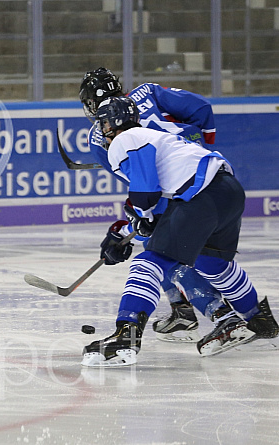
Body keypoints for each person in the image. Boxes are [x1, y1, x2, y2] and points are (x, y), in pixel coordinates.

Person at [81, 96, 279, 367]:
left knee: (149, 262)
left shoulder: (124, 140)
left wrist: (140, 220)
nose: (102, 129)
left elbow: (146, 194)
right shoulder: (157, 136)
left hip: (200, 197)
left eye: (103, 122)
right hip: (227, 190)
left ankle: (125, 335)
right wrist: (133, 229)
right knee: (213, 263)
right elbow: (162, 209)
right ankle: (259, 319)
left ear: (114, 122)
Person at [79, 67, 231, 348]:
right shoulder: (147, 92)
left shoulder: (98, 137)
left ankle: (214, 314)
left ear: (89, 104)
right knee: (200, 252)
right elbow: (201, 109)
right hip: (205, 175)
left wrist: (136, 217)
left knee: (158, 247)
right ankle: (212, 311)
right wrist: (200, 148)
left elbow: (138, 182)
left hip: (163, 192)